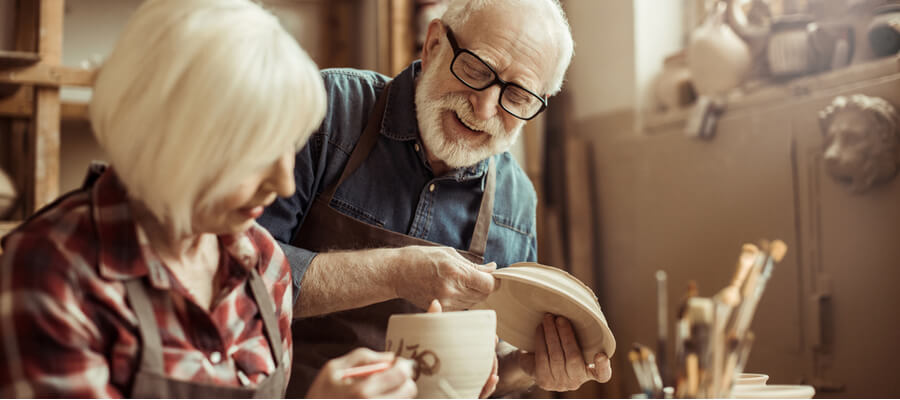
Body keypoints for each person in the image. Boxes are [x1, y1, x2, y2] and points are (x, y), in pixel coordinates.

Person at [0, 0, 415, 398]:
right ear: (165, 138)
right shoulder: (54, 273)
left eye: (290, 146)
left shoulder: (263, 261)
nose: (284, 184)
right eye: (257, 155)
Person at [257, 0, 612, 396]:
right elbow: (235, 279)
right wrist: (396, 272)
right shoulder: (329, 111)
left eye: (518, 96)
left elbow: (485, 370)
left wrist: (525, 367)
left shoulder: (515, 201)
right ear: (433, 45)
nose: (485, 107)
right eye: (477, 70)